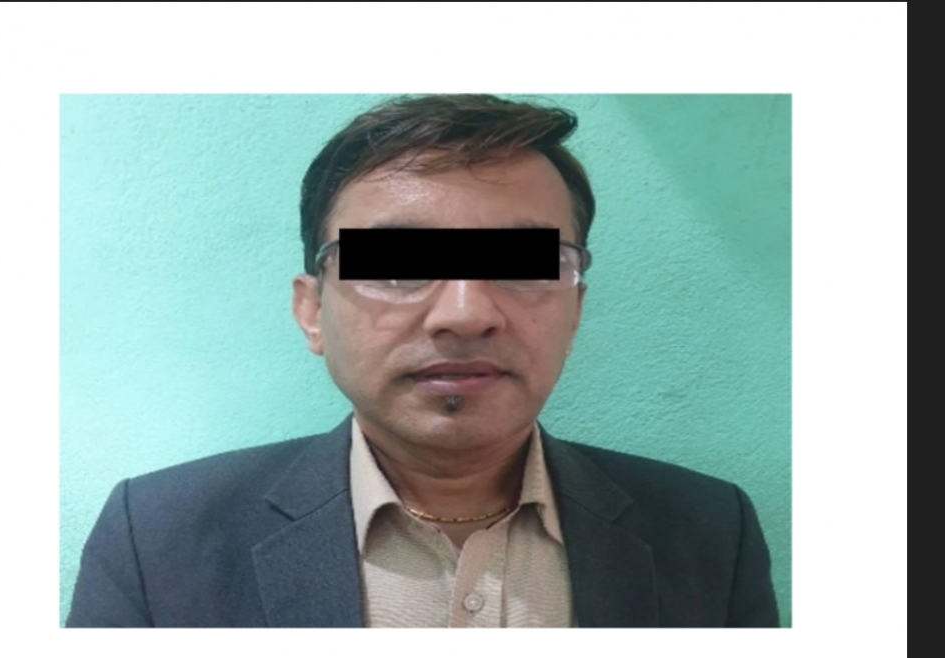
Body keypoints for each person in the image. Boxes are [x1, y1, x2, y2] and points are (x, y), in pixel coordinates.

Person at [66, 94, 779, 628]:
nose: (465, 312)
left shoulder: (710, 532)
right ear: (312, 310)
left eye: (523, 265)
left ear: (576, 309)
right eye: (399, 264)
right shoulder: (155, 538)